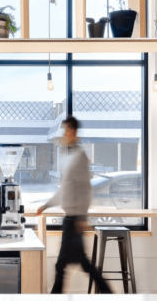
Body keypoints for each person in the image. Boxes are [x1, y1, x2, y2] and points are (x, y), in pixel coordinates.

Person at [37, 116, 111, 294]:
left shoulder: (79, 156)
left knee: (64, 265)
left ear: (74, 132)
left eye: (66, 130)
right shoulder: (69, 155)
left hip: (75, 220)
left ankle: (107, 295)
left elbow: (86, 189)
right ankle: (109, 294)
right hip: (70, 218)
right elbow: (65, 190)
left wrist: (82, 218)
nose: (64, 134)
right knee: (78, 264)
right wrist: (46, 205)